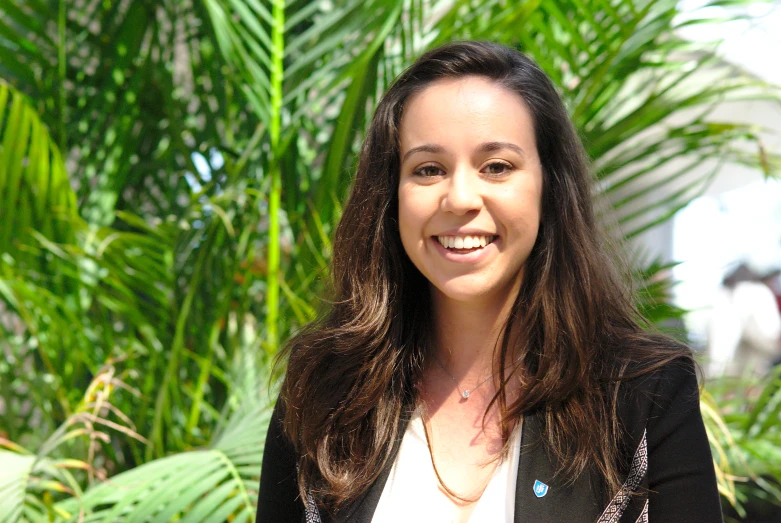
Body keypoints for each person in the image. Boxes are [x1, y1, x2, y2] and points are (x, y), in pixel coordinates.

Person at [257, 41, 722, 522]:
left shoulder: (643, 393)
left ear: (549, 187)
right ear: (391, 195)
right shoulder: (324, 393)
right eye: (428, 169)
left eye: (496, 166)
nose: (459, 197)